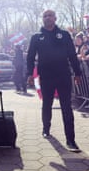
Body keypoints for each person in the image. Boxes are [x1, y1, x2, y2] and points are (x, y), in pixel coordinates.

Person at [26, 9, 82, 152]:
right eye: (45, 16)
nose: (48, 18)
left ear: (55, 18)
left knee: (66, 107)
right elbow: (31, 57)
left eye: (50, 15)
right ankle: (46, 128)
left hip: (63, 75)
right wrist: (29, 74)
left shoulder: (64, 35)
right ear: (42, 19)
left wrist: (77, 72)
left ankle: (71, 140)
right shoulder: (36, 37)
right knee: (47, 104)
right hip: (46, 76)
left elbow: (72, 55)